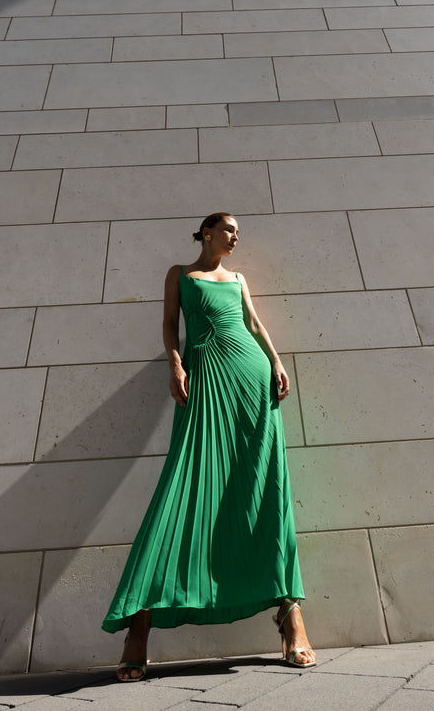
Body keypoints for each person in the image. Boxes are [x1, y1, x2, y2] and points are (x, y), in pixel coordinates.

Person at [101, 213, 316, 680]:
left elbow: (255, 325)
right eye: (228, 230)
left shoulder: (237, 278)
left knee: (264, 489)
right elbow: (167, 324)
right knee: (183, 487)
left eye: (238, 232)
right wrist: (175, 364)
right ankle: (140, 622)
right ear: (205, 232)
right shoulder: (180, 275)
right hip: (204, 378)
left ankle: (289, 611)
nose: (236, 237)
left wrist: (277, 362)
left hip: (252, 378)